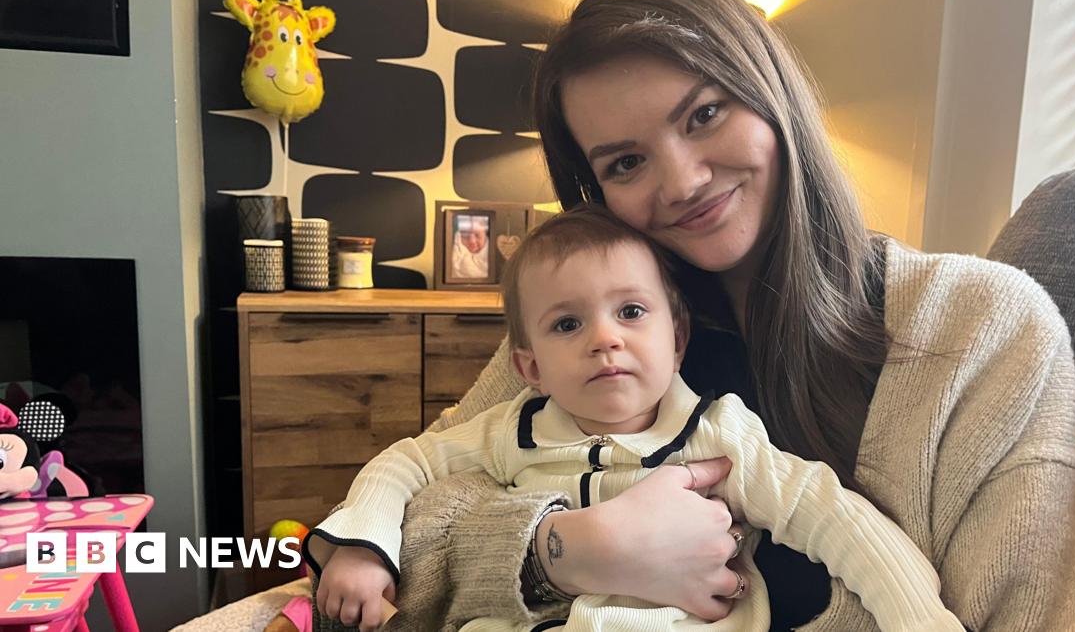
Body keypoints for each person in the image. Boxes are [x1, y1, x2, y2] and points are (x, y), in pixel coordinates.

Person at [313, 0, 1075, 631]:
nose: (682, 181)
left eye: (705, 113)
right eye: (625, 162)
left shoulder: (985, 329)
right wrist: (564, 549)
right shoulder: (590, 325)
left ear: (770, 89)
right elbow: (410, 529)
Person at [304, 207, 965, 632]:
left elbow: (834, 515)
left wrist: (922, 618)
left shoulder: (718, 434)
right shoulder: (514, 428)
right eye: (568, 323)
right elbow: (408, 460)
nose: (604, 338)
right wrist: (364, 546)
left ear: (677, 338)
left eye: (630, 312)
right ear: (530, 367)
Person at [451, 214, 490, 279]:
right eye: (465, 236)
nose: (472, 241)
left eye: (477, 235)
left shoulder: (491, 254)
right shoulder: (455, 248)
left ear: (485, 234)